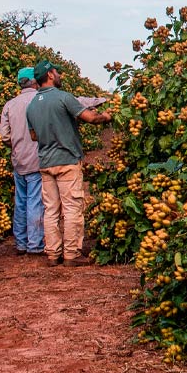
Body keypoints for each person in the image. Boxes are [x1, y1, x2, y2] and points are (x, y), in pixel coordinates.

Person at [25, 60, 113, 267]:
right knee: (73, 208)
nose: (59, 75)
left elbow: (34, 136)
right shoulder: (64, 98)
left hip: (45, 162)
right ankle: (72, 254)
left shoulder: (31, 106)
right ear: (49, 75)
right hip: (66, 161)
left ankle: (53, 254)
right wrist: (107, 117)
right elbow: (90, 118)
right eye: (56, 72)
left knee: (51, 210)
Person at [0, 67, 44, 256]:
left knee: (21, 201)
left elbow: (3, 135)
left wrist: (15, 145)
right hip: (36, 158)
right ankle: (34, 244)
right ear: (35, 82)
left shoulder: (10, 104)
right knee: (35, 201)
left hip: (18, 160)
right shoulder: (39, 100)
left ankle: (21, 243)